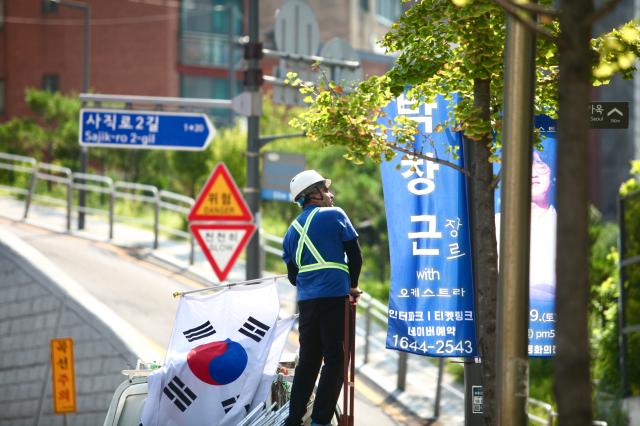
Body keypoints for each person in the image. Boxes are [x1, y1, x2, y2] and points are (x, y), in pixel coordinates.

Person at [282, 169, 363, 426]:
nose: (330, 194)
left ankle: (293, 420)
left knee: (308, 360)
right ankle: (320, 420)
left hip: (307, 302)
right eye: (325, 190)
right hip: (334, 297)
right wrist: (352, 286)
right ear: (313, 194)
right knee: (336, 358)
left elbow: (293, 276)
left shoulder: (291, 231)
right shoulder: (335, 215)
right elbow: (356, 255)